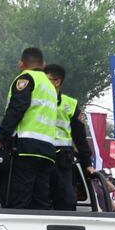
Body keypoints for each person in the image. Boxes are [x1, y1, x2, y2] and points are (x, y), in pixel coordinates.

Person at [0, 47, 58, 210]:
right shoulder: (50, 87)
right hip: (46, 151)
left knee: (18, 200)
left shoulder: (26, 79)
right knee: (40, 202)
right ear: (43, 64)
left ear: (21, 64)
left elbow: (17, 108)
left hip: (26, 148)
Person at [43, 64, 93, 211]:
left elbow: (80, 138)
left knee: (67, 200)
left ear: (57, 81)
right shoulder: (36, 101)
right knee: (39, 200)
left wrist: (87, 164)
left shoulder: (70, 104)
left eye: (46, 81)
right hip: (40, 155)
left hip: (62, 160)